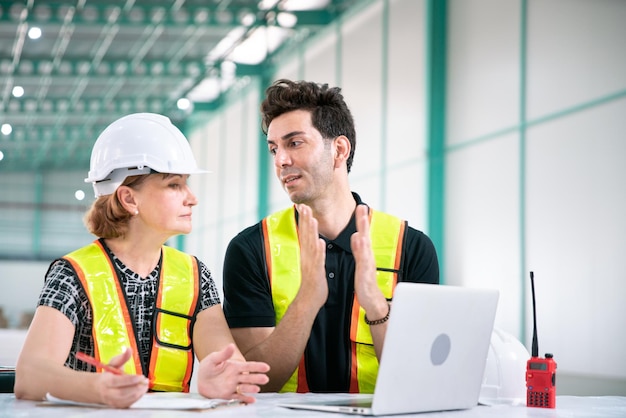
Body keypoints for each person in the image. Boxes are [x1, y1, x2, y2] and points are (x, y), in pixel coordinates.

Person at [15, 113, 269, 408]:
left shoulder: (195, 275)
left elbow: (225, 360)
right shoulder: (72, 275)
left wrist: (223, 379)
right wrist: (97, 389)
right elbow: (30, 376)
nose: (191, 198)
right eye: (174, 185)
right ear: (128, 198)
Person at [222, 79, 439, 394]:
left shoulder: (412, 248)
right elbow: (256, 384)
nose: (280, 160)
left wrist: (377, 307)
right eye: (274, 148)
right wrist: (308, 299)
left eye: (294, 143)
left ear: (339, 149)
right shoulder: (252, 249)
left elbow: (419, 381)